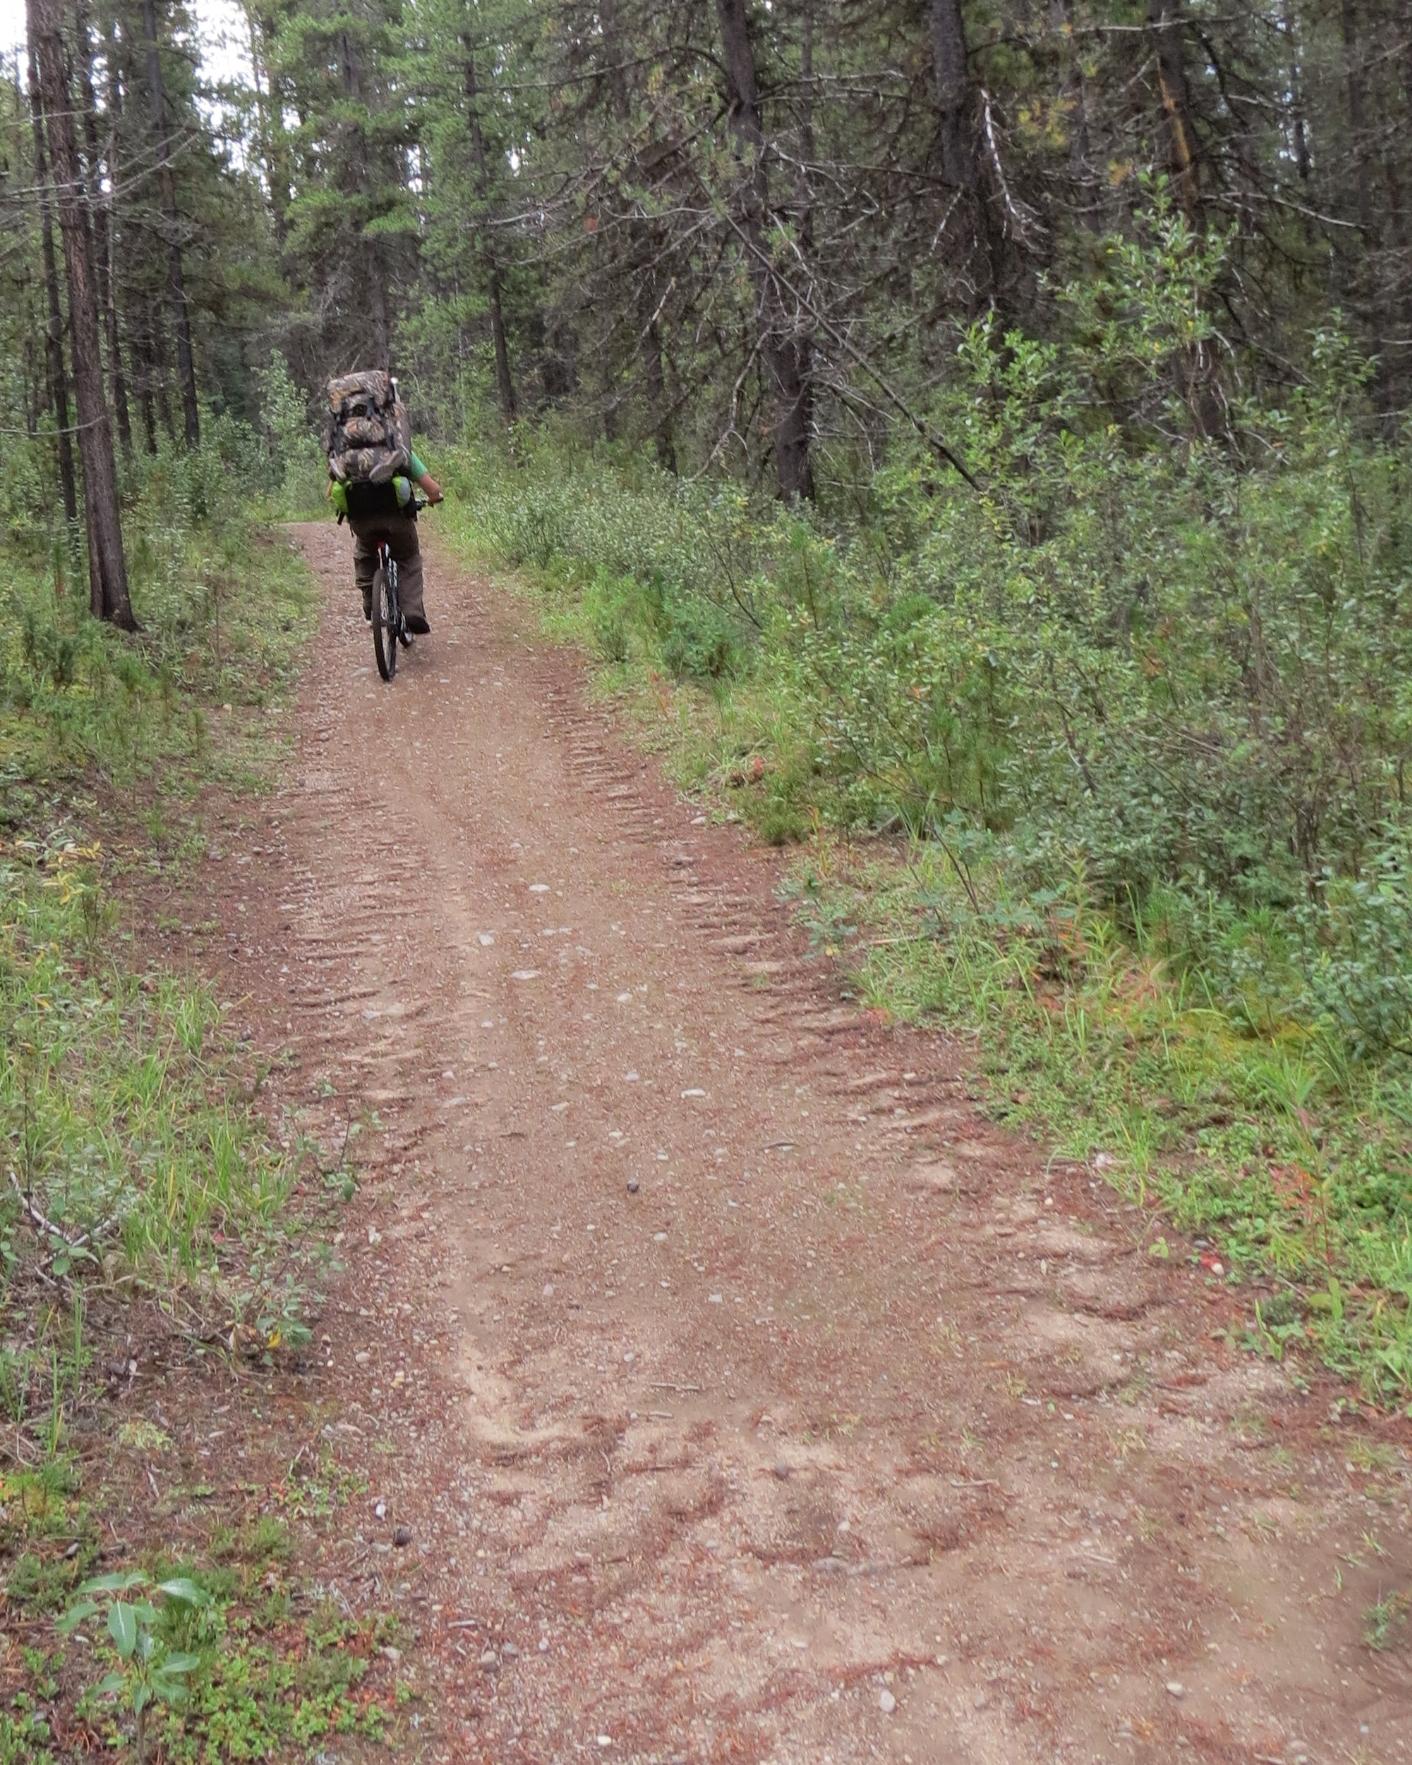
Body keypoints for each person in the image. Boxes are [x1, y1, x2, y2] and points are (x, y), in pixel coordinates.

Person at [327, 413, 444, 634]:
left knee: (364, 553)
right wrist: (434, 498)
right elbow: (433, 490)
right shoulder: (400, 452)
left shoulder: (345, 456)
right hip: (396, 521)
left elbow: (330, 492)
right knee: (408, 558)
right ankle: (412, 612)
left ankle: (371, 604)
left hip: (362, 523)